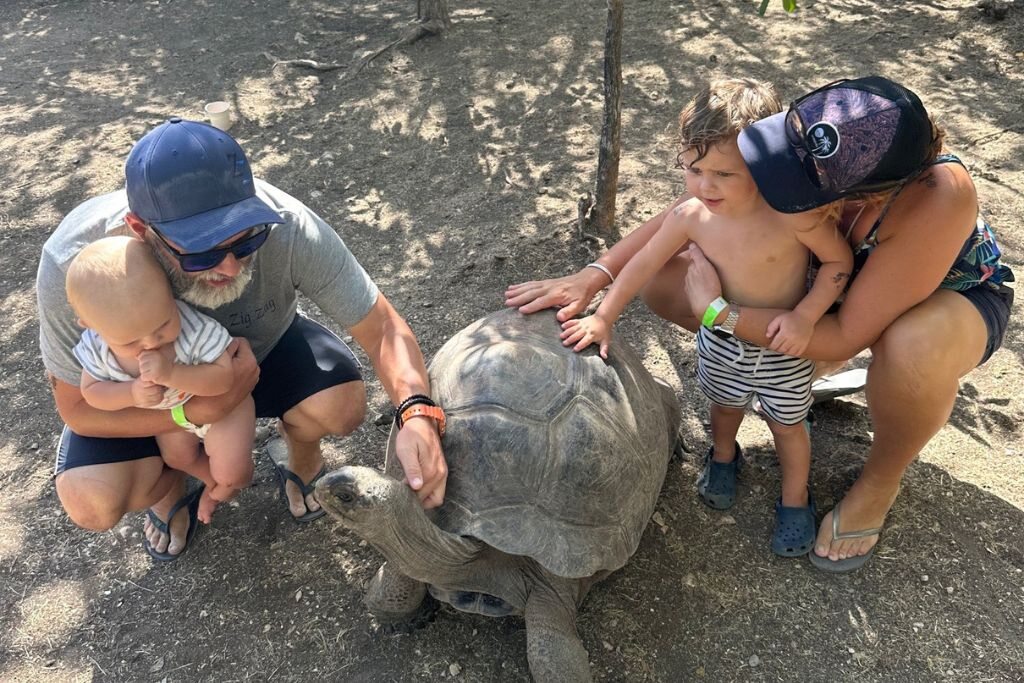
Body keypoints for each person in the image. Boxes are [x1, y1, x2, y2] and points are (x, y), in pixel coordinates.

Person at [506, 76, 1015, 572]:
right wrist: (594, 278)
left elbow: (846, 335)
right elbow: (683, 215)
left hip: (944, 298)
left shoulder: (938, 193)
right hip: (822, 288)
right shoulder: (829, 136)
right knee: (667, 276)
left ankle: (881, 479)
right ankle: (773, 371)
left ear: (869, 194)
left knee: (911, 348)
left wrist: (720, 314)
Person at [38, 117, 448, 562]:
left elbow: (383, 327)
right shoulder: (78, 268)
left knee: (341, 406)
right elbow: (77, 408)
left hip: (259, 352)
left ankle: (301, 458)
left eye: (248, 237)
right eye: (203, 251)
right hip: (143, 392)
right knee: (92, 503)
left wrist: (417, 414)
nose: (231, 267)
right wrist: (197, 410)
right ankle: (170, 484)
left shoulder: (288, 225)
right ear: (141, 230)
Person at [558, 78, 852, 558]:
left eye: (724, 173)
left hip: (784, 344)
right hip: (721, 340)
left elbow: (839, 263)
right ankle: (722, 457)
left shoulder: (792, 216)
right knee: (723, 406)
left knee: (789, 425)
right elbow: (643, 264)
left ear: (764, 164)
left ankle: (795, 498)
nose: (704, 185)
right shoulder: (691, 215)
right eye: (693, 169)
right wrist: (604, 315)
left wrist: (806, 316)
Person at [66, 236, 255, 531]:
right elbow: (92, 393)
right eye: (130, 342)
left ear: (170, 294)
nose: (152, 343)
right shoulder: (96, 348)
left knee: (235, 472)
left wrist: (171, 374)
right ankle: (210, 483)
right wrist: (129, 393)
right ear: (92, 326)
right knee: (177, 458)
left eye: (163, 324)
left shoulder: (193, 329)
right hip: (171, 418)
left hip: (225, 409)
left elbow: (224, 379)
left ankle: (223, 489)